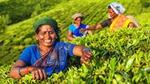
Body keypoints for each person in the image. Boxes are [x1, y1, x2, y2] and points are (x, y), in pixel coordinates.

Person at [9, 17, 92, 80]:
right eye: (43, 33)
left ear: (56, 35)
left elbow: (79, 48)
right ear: (37, 37)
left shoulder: (61, 46)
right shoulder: (31, 50)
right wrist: (30, 69)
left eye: (51, 33)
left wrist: (85, 52)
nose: (47, 36)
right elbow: (13, 72)